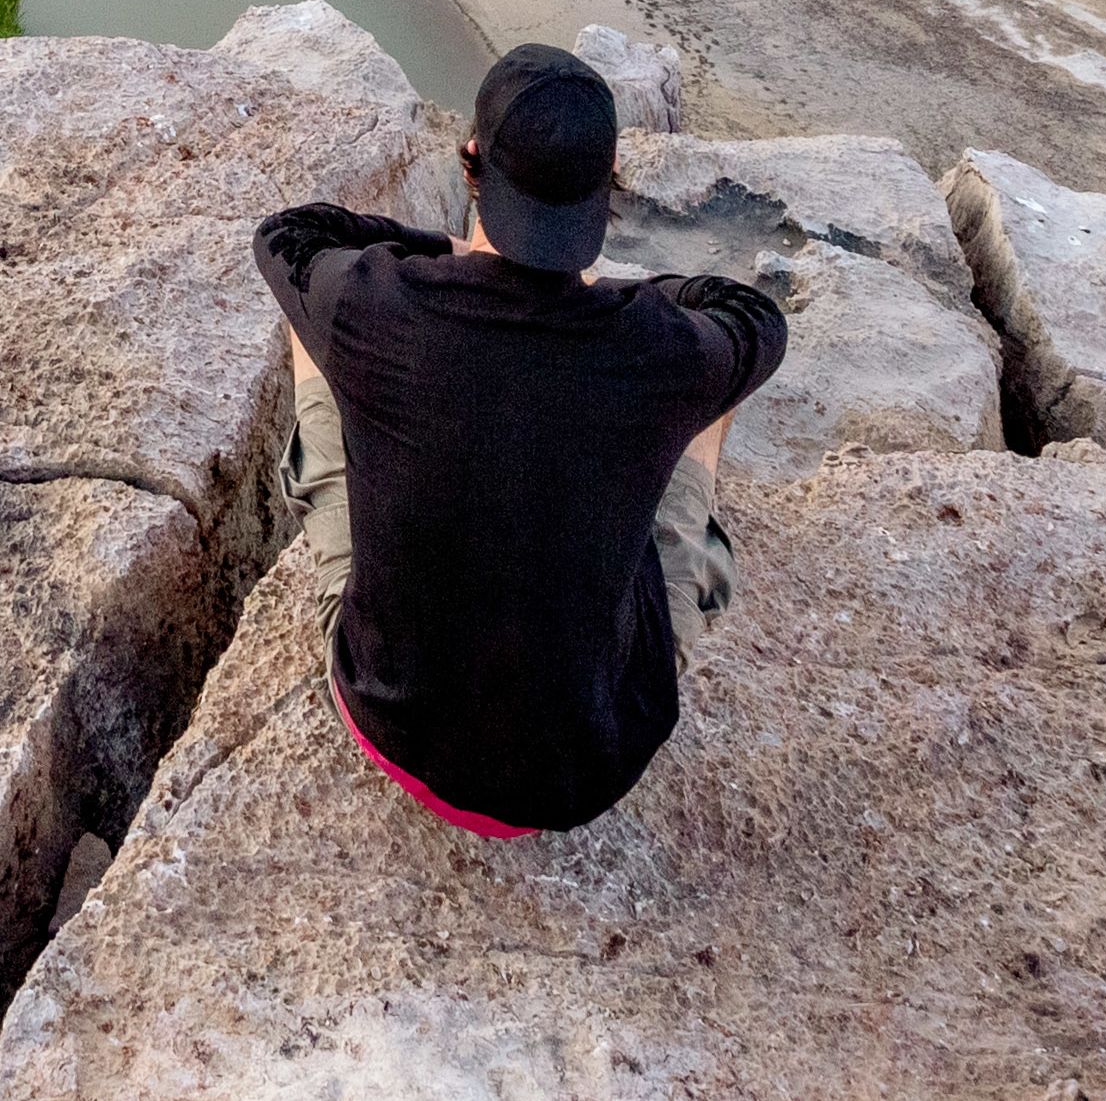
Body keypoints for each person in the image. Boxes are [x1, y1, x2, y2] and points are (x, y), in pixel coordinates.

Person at [253, 41, 786, 837]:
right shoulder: (654, 347)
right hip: (586, 767)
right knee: (712, 394)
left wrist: (440, 250)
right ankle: (699, 553)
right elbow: (754, 319)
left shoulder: (378, 303)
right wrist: (635, 297)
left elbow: (290, 235)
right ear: (605, 192)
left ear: (472, 161)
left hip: (390, 726)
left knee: (311, 328)